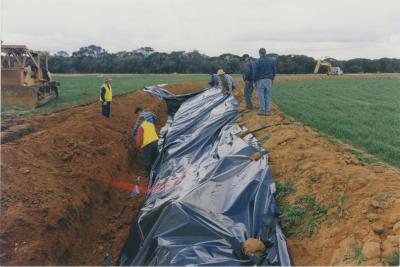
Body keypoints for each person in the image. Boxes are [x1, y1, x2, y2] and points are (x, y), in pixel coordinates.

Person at [132, 107, 159, 173]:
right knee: (156, 156)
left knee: (147, 159)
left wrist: (133, 135)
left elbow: (137, 131)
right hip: (155, 139)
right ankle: (158, 168)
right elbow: (155, 118)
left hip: (147, 144)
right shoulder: (150, 121)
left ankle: (148, 173)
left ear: (138, 112)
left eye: (137, 114)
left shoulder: (141, 125)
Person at [253, 48, 277, 116]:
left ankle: (262, 111)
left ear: (259, 53)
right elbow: (274, 71)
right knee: (268, 95)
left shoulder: (257, 61)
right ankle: (267, 111)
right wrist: (272, 79)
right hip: (269, 80)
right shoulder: (271, 61)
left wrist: (254, 81)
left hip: (260, 80)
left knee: (261, 95)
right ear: (265, 53)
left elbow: (255, 72)